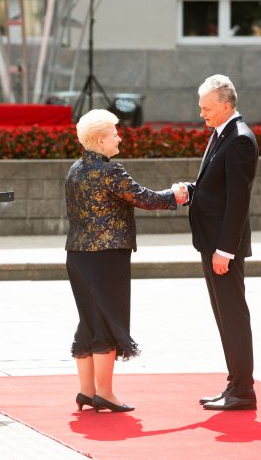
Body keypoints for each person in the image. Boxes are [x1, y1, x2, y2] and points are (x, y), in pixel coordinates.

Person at [65, 109, 184, 413]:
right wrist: (177, 196)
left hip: (77, 255)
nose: (119, 137)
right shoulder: (110, 170)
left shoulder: (75, 169)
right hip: (107, 256)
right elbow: (144, 198)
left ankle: (87, 391)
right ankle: (105, 393)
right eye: (115, 133)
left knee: (89, 318)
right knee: (107, 318)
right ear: (101, 139)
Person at [176, 74, 259, 411]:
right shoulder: (221, 134)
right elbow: (217, 188)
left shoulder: (239, 139)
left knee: (233, 316)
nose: (202, 114)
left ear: (226, 105)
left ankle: (243, 392)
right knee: (224, 316)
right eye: (200, 108)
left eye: (207, 108)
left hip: (224, 247)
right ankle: (234, 386)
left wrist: (225, 249)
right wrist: (191, 191)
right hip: (211, 243)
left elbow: (239, 200)